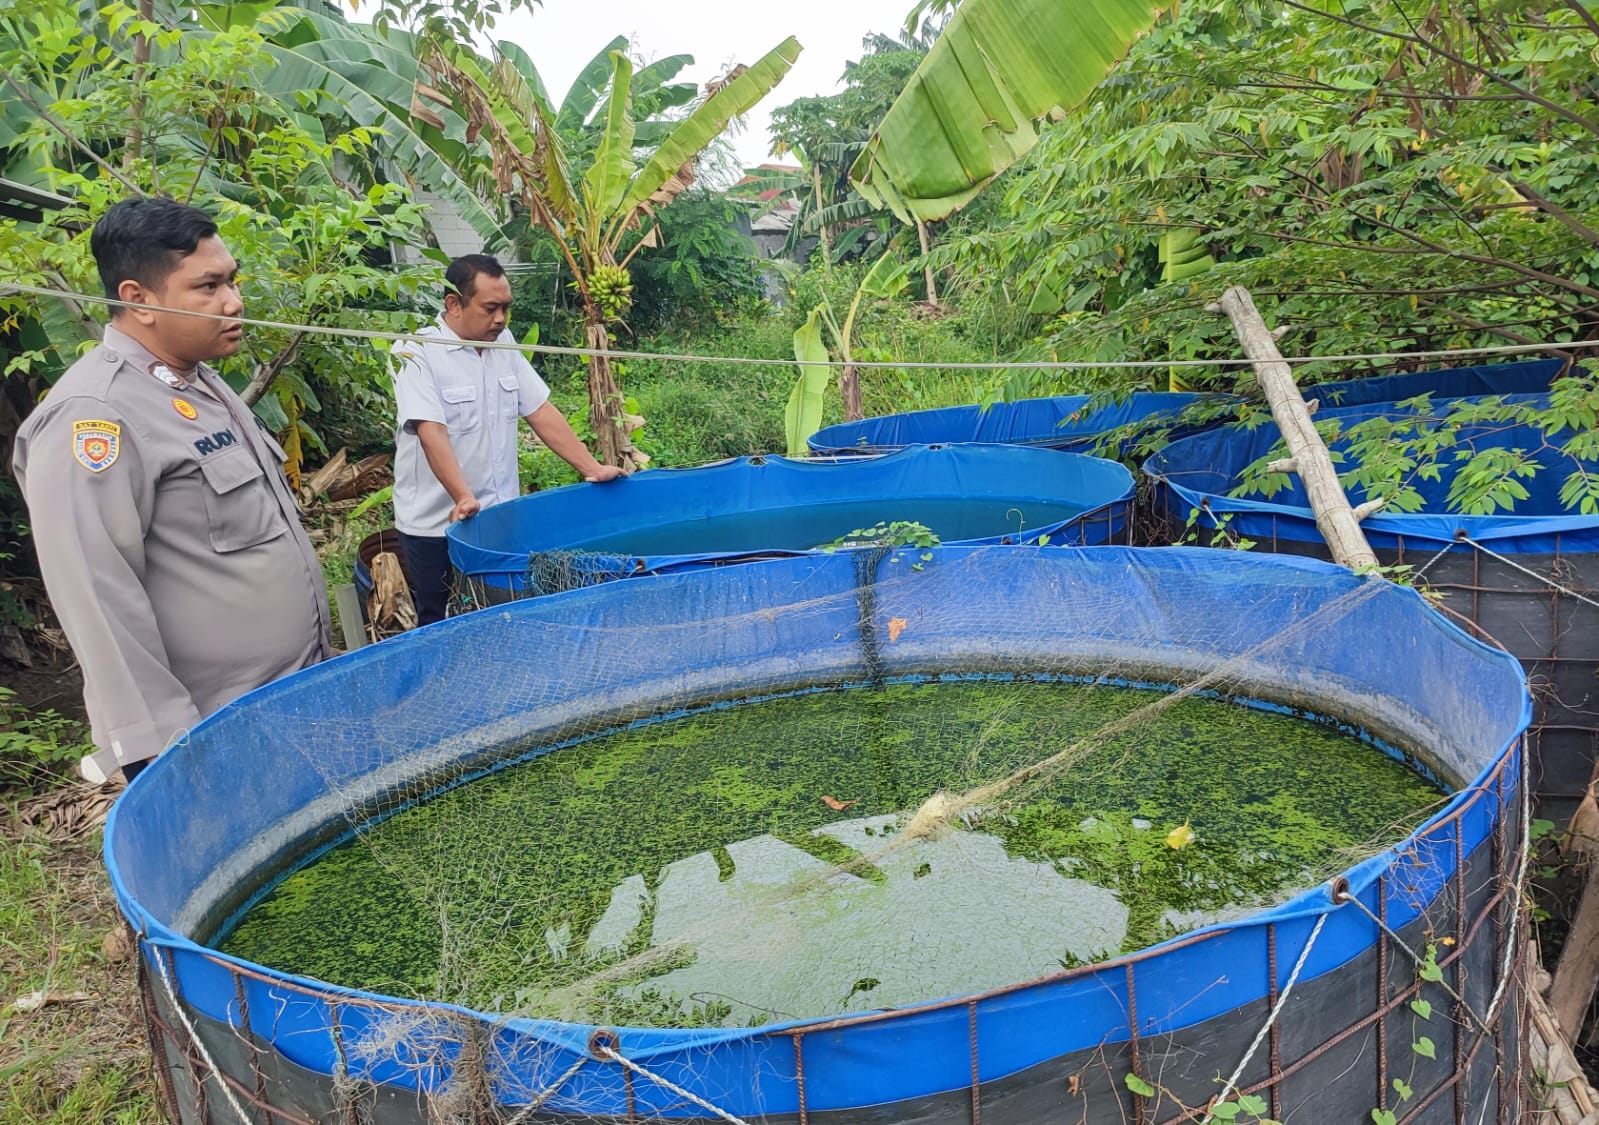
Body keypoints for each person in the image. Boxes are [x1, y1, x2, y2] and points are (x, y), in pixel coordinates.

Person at [11, 198, 333, 785]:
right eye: (208, 286)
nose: (234, 301)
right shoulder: (95, 416)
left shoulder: (199, 383)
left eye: (232, 280)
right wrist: (162, 753)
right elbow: (97, 594)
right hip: (215, 739)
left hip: (289, 705)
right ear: (138, 299)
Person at [392, 254, 625, 625]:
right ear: (454, 304)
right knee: (441, 623)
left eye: (505, 308)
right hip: (436, 527)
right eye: (490, 308)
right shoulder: (415, 353)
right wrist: (462, 495)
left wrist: (592, 468)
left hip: (500, 518)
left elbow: (539, 410)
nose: (500, 318)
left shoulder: (504, 344)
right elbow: (430, 431)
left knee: (503, 615)